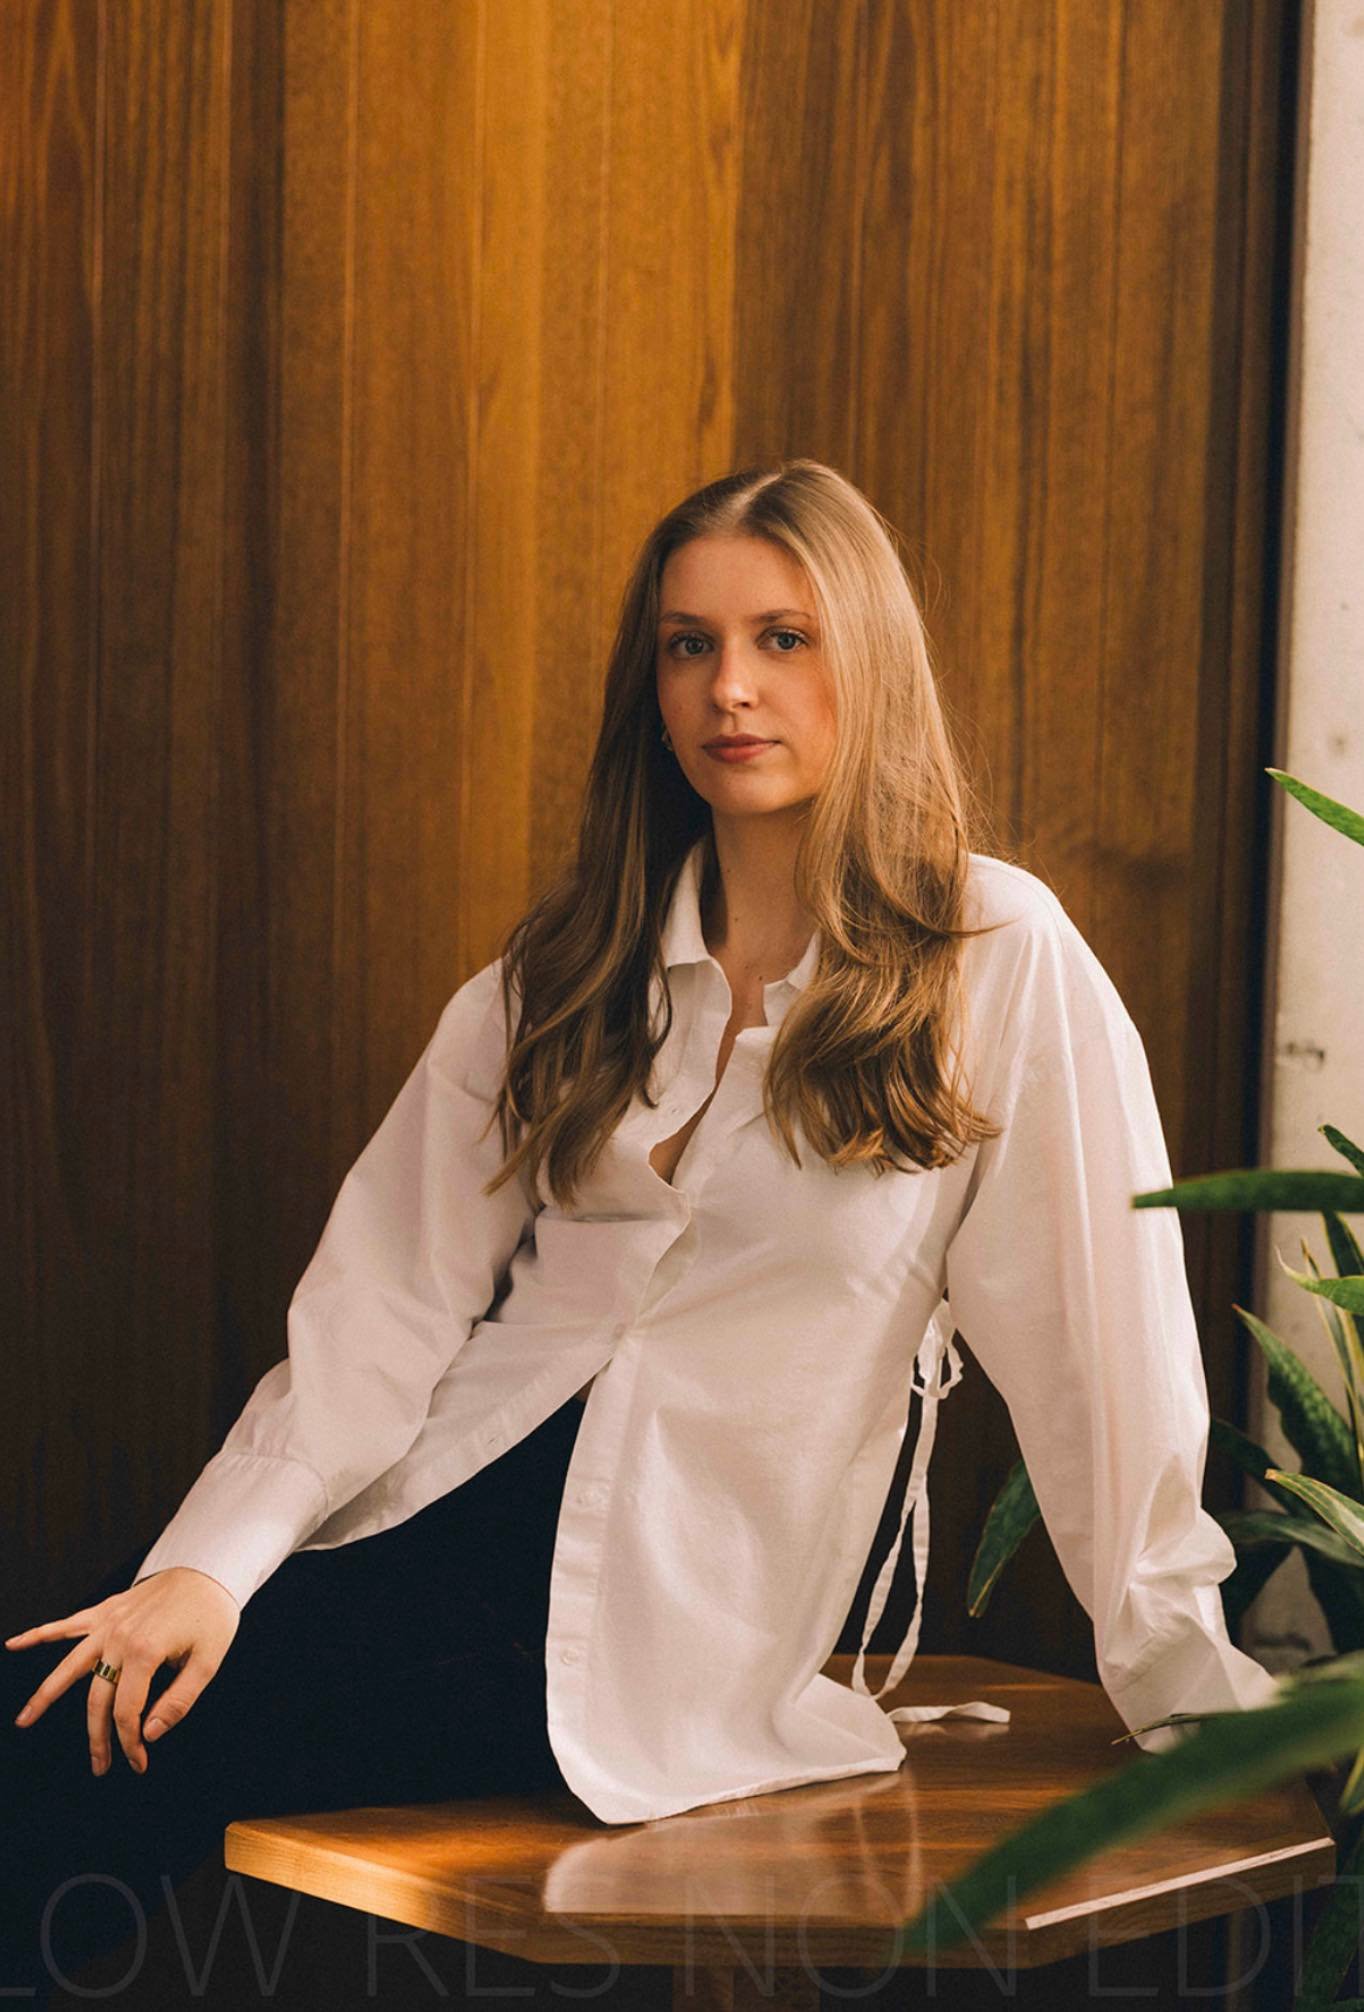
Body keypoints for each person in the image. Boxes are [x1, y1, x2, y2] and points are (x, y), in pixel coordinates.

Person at [3, 458, 1283, 2000]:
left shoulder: (994, 956)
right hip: (444, 1517)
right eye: (688, 645)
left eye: (782, 639)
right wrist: (209, 1565)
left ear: (866, 656)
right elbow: (380, 1315)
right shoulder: (562, 973)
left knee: (90, 1774)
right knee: (75, 1723)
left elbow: (1105, 1357)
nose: (729, 689)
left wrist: (1197, 1705)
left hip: (675, 1599)